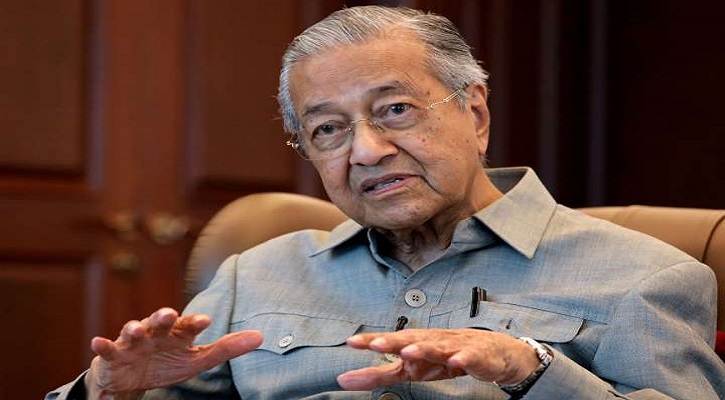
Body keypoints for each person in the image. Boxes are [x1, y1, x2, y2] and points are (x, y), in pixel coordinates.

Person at [47, 5, 724, 400]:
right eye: (328, 129)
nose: (366, 151)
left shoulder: (644, 278)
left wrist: (532, 371)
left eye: (395, 109)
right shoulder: (256, 274)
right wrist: (105, 389)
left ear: (475, 114)